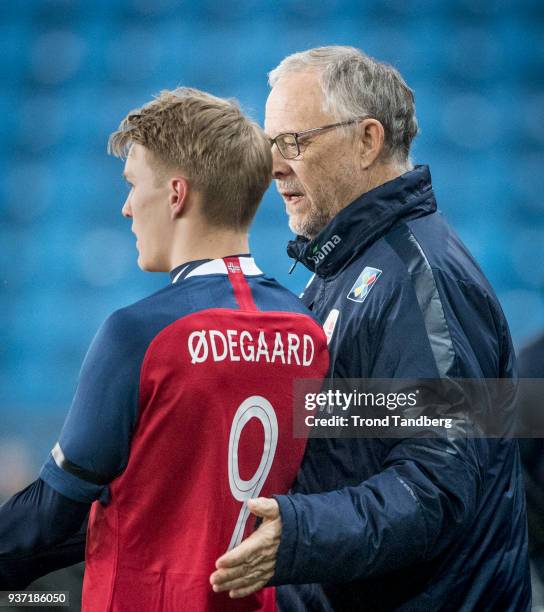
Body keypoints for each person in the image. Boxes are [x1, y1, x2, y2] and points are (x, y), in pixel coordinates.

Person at [210, 46, 531, 610]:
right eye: (269, 146)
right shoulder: (344, 272)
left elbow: (433, 486)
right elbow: (363, 434)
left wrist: (298, 533)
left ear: (367, 140)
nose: (275, 166)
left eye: (293, 142)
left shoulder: (420, 280)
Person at [0, 87, 329, 611]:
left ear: (177, 194)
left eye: (133, 185)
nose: (127, 207)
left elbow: (48, 519)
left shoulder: (140, 334)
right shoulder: (308, 331)